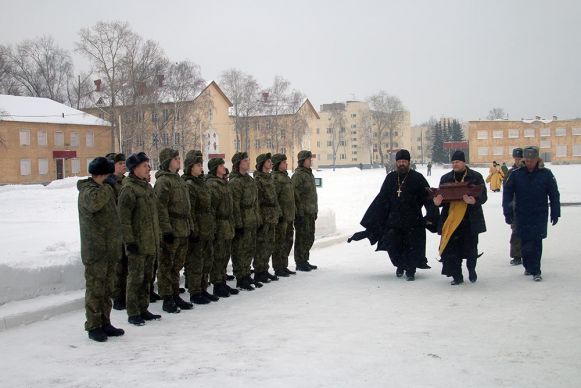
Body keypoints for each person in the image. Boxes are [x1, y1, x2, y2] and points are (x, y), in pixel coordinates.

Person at [348, 150, 438, 280]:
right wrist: (373, 220)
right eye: (399, 162)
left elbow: (428, 198)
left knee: (411, 247)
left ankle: (411, 270)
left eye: (404, 162)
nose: (401, 164)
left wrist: (431, 215)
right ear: (396, 163)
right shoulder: (390, 178)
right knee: (394, 245)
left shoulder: (418, 178)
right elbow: (381, 199)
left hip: (413, 220)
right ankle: (400, 265)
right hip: (394, 221)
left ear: (408, 162)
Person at [77, 157, 125, 342]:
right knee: (95, 289)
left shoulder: (103, 189)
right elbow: (95, 203)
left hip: (109, 248)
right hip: (95, 250)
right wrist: (108, 186)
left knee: (106, 290)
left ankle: (105, 321)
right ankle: (93, 325)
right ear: (102, 174)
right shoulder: (88, 191)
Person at [503, 146, 560, 281]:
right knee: (525, 243)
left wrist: (555, 212)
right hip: (522, 213)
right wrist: (507, 211)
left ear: (537, 159)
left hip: (539, 213)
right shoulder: (516, 174)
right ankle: (528, 266)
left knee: (536, 242)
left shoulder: (546, 174)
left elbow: (554, 194)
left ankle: (536, 271)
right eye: (527, 160)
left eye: (532, 160)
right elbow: (507, 194)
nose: (529, 163)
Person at [118, 152, 162, 326]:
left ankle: (143, 308)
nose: (148, 168)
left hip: (150, 241)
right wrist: (130, 242)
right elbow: (124, 219)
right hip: (137, 242)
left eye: (148, 165)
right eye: (144, 166)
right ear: (134, 169)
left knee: (147, 278)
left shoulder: (146, 187)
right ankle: (133, 311)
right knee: (135, 278)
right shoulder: (129, 189)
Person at [433, 150, 487, 285]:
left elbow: (483, 196)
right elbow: (441, 197)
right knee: (451, 249)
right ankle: (457, 276)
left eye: (457, 162)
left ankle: (471, 269)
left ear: (464, 162)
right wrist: (437, 203)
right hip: (450, 220)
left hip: (469, 220)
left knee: (471, 249)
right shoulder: (446, 178)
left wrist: (473, 201)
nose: (455, 164)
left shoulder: (475, 177)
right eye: (453, 162)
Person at [154, 148, 195, 313]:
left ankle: (175, 293)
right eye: (175, 158)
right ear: (167, 162)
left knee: (177, 265)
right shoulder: (163, 182)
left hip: (182, 227)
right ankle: (167, 297)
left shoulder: (178, 180)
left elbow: (187, 207)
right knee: (166, 265)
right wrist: (166, 230)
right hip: (172, 228)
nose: (179, 161)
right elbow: (160, 208)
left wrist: (190, 226)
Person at [183, 150, 219, 304]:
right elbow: (190, 210)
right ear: (190, 167)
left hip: (207, 227)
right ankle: (195, 291)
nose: (200, 167)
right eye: (198, 165)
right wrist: (194, 229)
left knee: (207, 260)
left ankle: (203, 288)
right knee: (196, 261)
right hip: (198, 228)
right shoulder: (190, 185)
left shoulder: (202, 183)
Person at [206, 158, 239, 297]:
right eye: (220, 165)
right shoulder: (212, 184)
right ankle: (217, 284)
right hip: (219, 223)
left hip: (227, 223)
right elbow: (211, 208)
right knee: (218, 256)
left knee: (225, 255)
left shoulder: (223, 183)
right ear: (215, 168)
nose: (223, 167)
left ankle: (222, 281)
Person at [229, 152, 263, 290]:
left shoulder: (249, 180)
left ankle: (247, 274)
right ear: (238, 164)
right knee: (239, 250)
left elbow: (256, 202)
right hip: (242, 219)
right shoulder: (235, 182)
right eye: (245, 161)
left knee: (250, 249)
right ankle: (240, 277)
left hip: (252, 219)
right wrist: (238, 224)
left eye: (248, 160)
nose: (248, 163)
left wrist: (258, 219)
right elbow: (235, 205)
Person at [104, 153, 129, 311]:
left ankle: (125, 293)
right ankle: (117, 295)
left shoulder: (125, 182)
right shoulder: (108, 184)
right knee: (118, 266)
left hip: (126, 228)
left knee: (126, 264)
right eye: (120, 163)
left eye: (124, 163)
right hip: (115, 230)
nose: (123, 166)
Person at [253, 153, 281, 283]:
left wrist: (277, 212)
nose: (271, 163)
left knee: (269, 244)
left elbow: (274, 198)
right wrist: (259, 217)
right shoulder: (258, 180)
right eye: (268, 161)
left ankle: (264, 269)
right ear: (262, 164)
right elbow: (257, 201)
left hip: (272, 215)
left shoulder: (269, 178)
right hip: (264, 216)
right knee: (261, 245)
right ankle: (259, 271)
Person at [292, 150, 319, 271]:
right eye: (308, 159)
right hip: (302, 213)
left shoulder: (309, 174)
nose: (310, 161)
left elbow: (312, 195)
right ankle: (300, 261)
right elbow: (295, 196)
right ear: (302, 161)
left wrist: (315, 210)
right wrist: (299, 212)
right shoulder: (298, 175)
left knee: (309, 237)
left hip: (310, 211)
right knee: (302, 238)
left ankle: (305, 259)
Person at [271, 153, 297, 277]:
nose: (286, 164)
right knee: (279, 242)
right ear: (278, 164)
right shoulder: (275, 178)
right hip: (281, 217)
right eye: (283, 162)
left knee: (288, 241)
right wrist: (279, 213)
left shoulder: (286, 177)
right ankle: (278, 266)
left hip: (289, 216)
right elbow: (274, 198)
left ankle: (284, 265)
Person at [504, 148, 525, 266]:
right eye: (516, 159)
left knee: (529, 233)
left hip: (528, 207)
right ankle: (517, 255)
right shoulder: (511, 173)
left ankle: (529, 253)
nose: (518, 161)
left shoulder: (530, 171)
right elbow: (507, 191)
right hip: (514, 207)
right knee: (516, 232)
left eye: (520, 159)